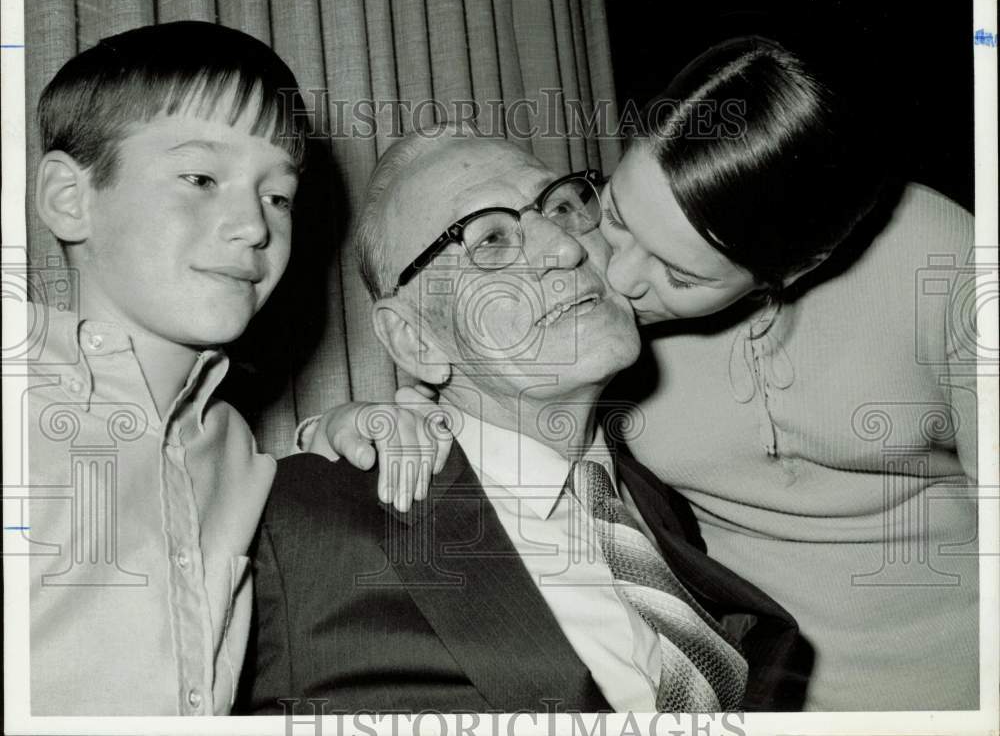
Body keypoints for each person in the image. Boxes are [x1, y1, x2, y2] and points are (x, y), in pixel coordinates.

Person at [315, 37, 980, 711]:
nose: (610, 269)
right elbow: (486, 383)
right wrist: (372, 416)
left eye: (679, 273)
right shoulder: (598, 345)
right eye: (614, 215)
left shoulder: (937, 262)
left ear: (794, 270)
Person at [239, 129, 807, 715]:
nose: (565, 246)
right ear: (415, 340)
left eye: (561, 206)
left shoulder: (656, 505)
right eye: (490, 240)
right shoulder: (299, 525)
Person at [26, 20, 309, 715]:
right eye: (202, 177)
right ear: (71, 198)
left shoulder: (237, 446)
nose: (254, 225)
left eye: (278, 195)